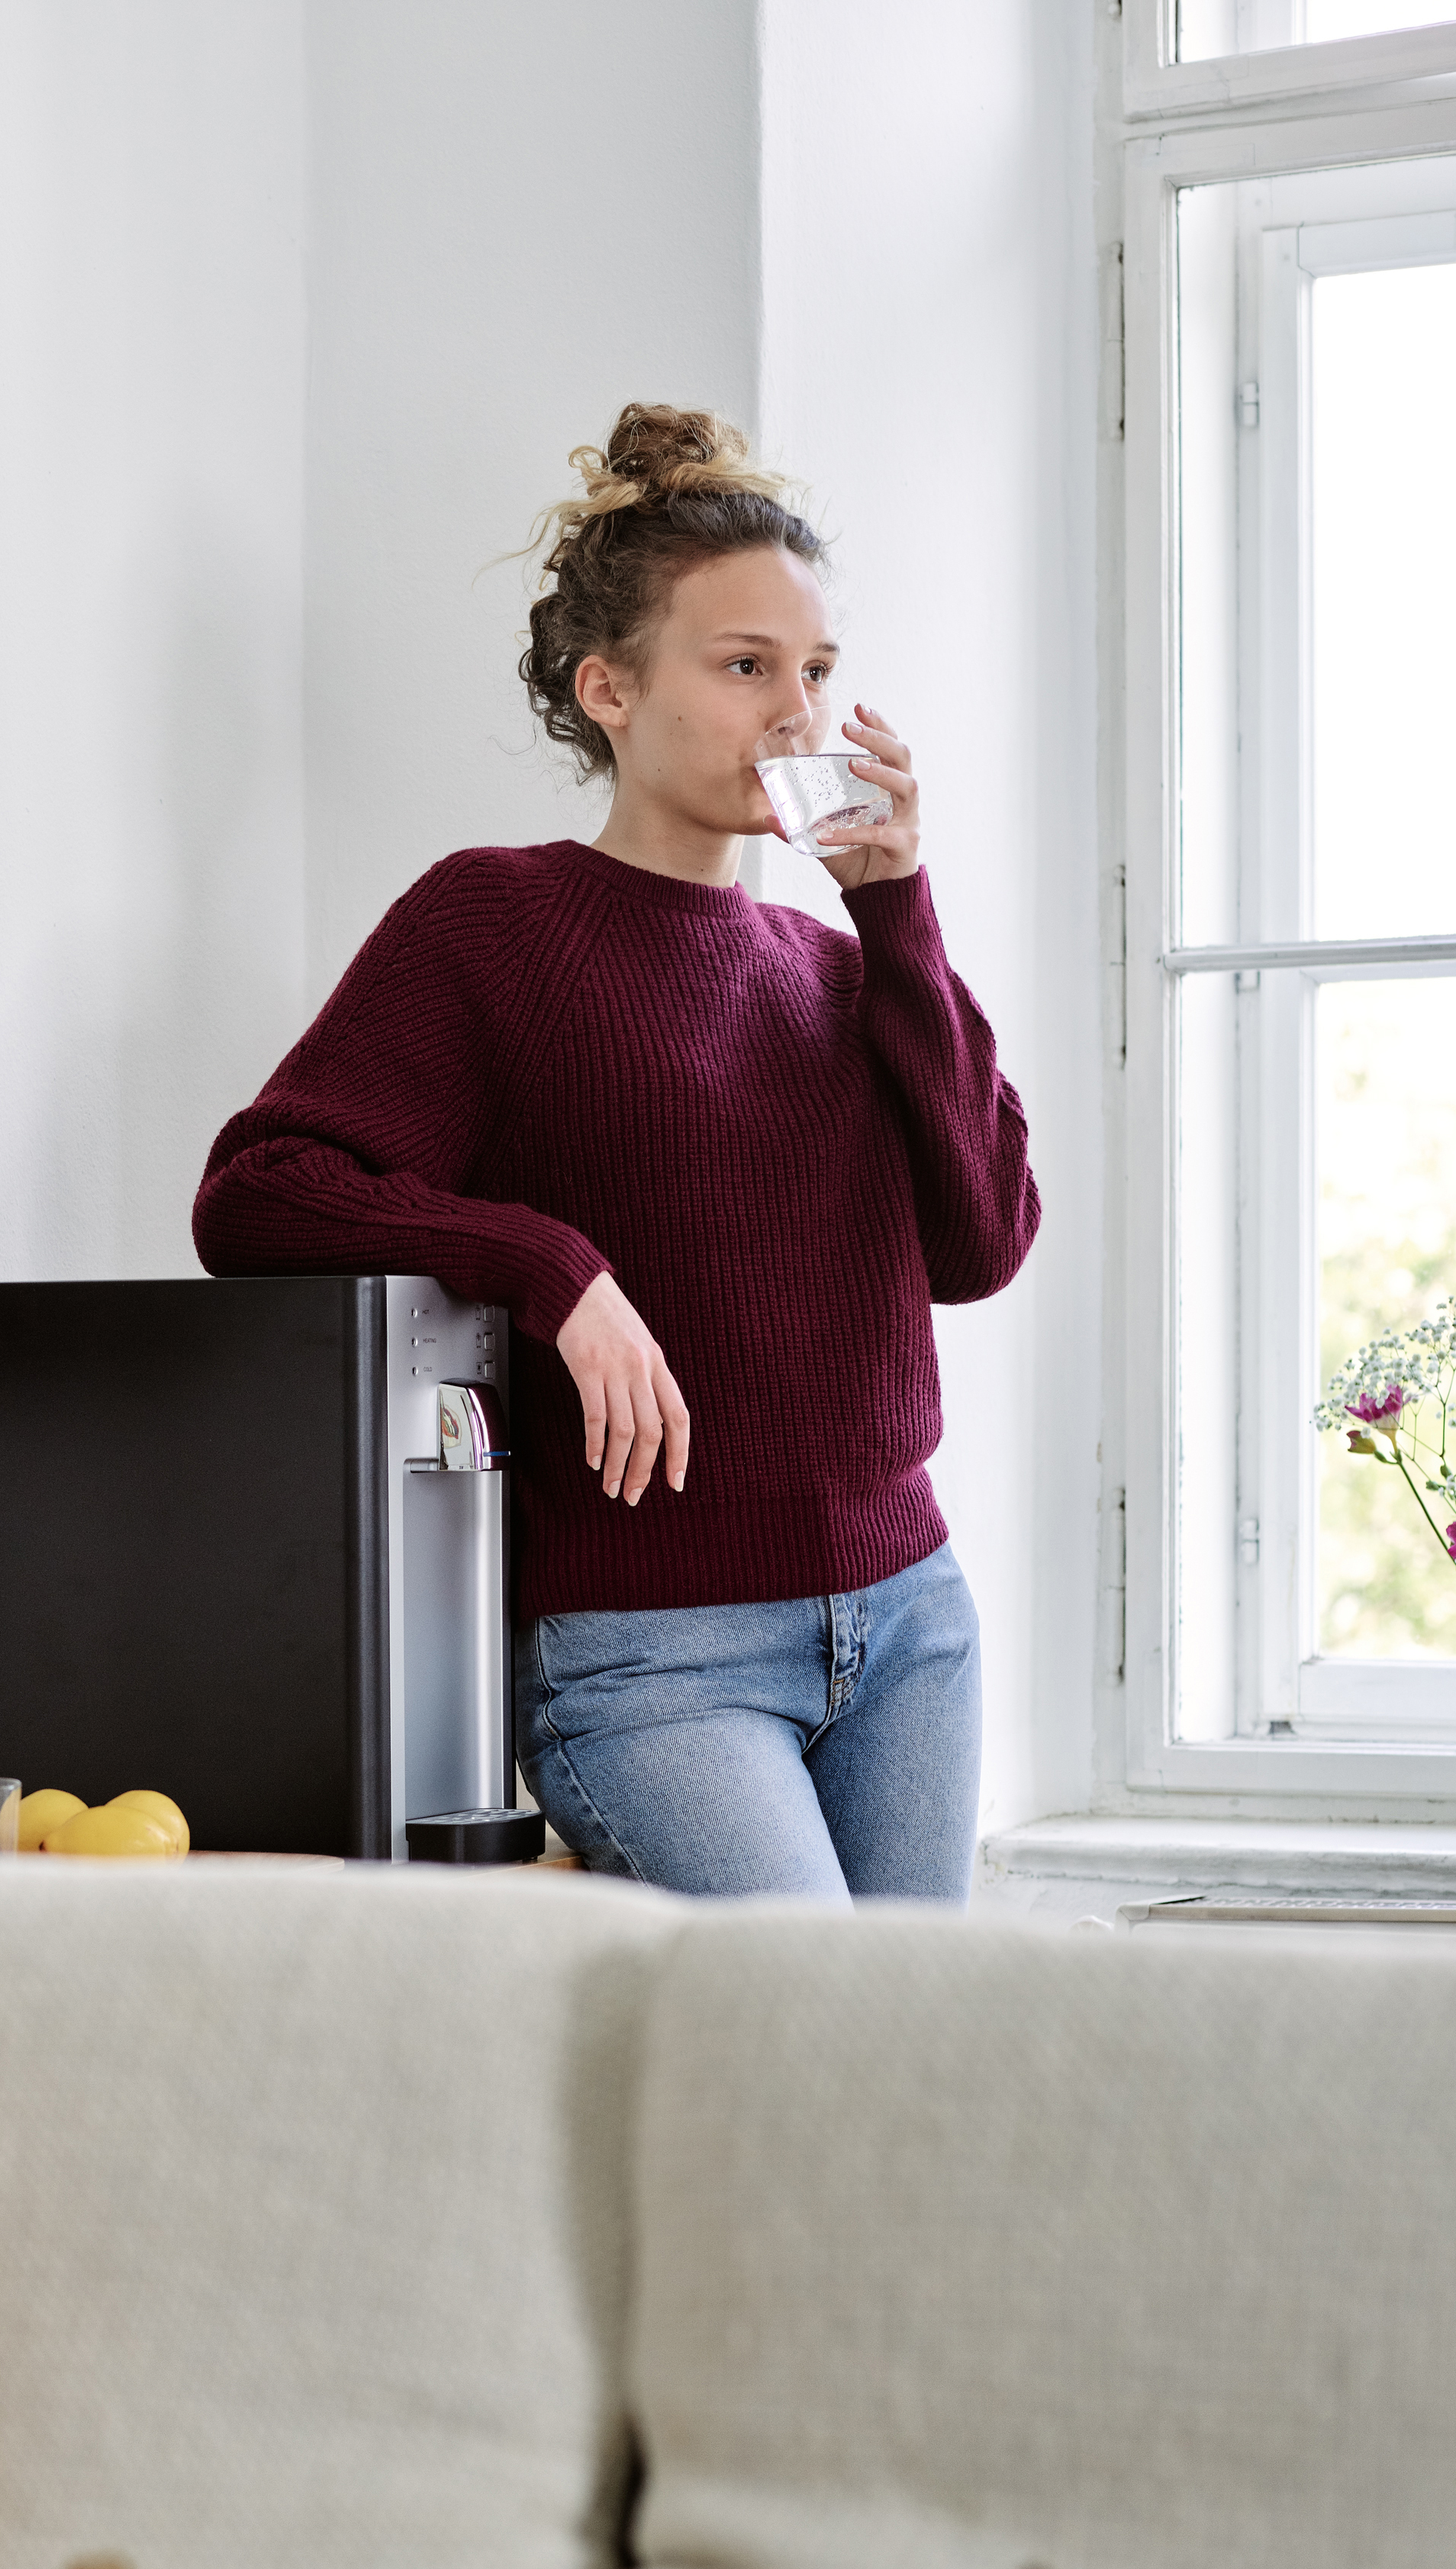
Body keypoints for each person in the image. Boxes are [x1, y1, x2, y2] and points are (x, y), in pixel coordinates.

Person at [192, 405, 1038, 1903]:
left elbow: (982, 1241)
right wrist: (548, 1268)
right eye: (743, 666)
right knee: (808, 2047)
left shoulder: (847, 971)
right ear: (609, 691)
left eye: (817, 671)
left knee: (908, 2092)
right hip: (654, 1655)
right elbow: (256, 1193)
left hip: (912, 1624)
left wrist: (896, 910)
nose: (797, 712)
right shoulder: (490, 924)